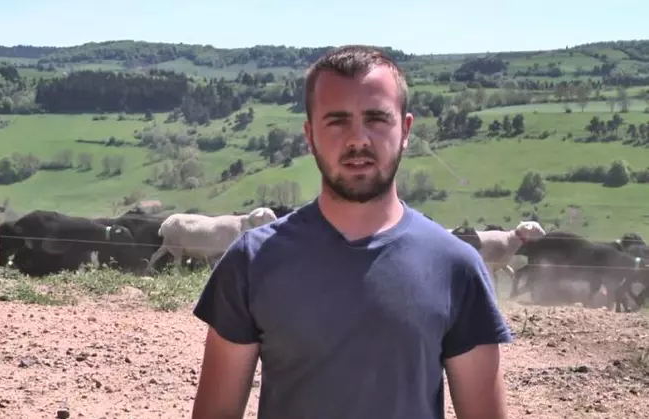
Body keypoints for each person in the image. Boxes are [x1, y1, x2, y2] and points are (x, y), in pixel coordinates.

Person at [191, 45, 512, 419]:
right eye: (338, 121)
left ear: (405, 130)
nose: (358, 139)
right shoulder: (252, 261)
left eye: (376, 119)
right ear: (309, 135)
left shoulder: (456, 267)